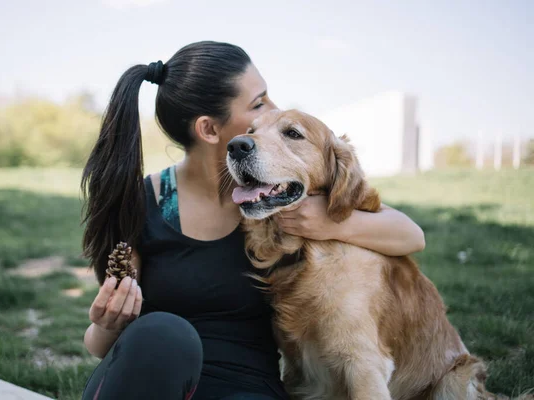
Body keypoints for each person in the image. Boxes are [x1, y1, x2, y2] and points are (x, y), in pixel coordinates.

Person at [80, 41, 425, 400]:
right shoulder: (144, 201)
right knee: (164, 333)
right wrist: (107, 324)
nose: (274, 109)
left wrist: (329, 224)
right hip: (154, 381)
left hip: (245, 389)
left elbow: (410, 235)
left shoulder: (283, 198)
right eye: (259, 103)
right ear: (209, 130)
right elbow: (99, 345)